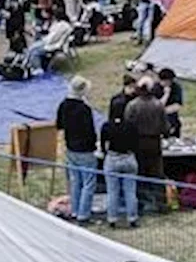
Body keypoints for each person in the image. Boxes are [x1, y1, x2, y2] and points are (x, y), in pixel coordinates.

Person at [56, 76, 98, 224]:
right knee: (88, 182)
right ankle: (84, 214)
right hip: (85, 149)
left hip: (70, 147)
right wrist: (94, 145)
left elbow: (59, 125)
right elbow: (90, 130)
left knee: (75, 181)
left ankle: (74, 210)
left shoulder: (63, 105)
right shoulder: (84, 109)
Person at [124, 79, 168, 205]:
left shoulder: (132, 105)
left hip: (138, 142)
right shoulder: (158, 105)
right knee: (157, 173)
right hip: (154, 142)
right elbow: (165, 127)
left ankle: (141, 202)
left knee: (140, 173)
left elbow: (127, 126)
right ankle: (160, 202)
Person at [100, 100, 140, 229]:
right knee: (130, 191)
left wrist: (106, 153)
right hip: (128, 158)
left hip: (113, 158)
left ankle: (112, 218)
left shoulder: (106, 126)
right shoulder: (131, 126)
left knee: (112, 191)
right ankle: (132, 218)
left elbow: (103, 145)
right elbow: (136, 144)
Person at [160, 68, 184, 138]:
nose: (169, 83)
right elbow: (157, 106)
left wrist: (164, 111)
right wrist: (166, 94)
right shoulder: (156, 88)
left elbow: (177, 105)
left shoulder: (176, 87)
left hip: (172, 119)